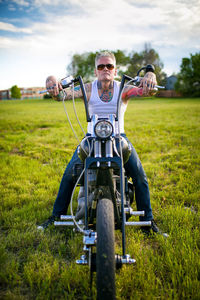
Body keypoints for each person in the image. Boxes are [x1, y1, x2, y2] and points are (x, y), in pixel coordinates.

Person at [38, 51, 166, 236]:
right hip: (91, 138)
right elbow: (62, 96)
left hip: (118, 137)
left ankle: (148, 220)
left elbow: (148, 91)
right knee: (68, 175)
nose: (105, 69)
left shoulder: (123, 88)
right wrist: (52, 81)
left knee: (139, 176)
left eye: (109, 66)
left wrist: (150, 76)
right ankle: (56, 216)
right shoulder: (87, 88)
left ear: (115, 70)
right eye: (101, 66)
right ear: (95, 70)